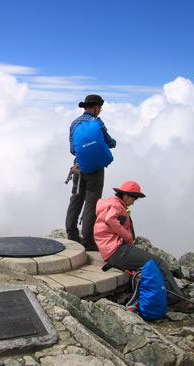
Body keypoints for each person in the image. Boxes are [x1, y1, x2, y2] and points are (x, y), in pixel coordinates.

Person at [94, 181, 194, 313]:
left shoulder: (110, 204)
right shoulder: (117, 206)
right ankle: (175, 300)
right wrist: (126, 236)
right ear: (126, 195)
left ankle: (173, 294)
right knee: (158, 263)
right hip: (117, 251)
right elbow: (110, 219)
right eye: (133, 198)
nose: (133, 202)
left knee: (150, 265)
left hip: (111, 251)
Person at [66, 94, 117, 251]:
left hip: (78, 167)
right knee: (91, 202)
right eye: (99, 107)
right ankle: (88, 240)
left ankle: (72, 234)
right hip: (95, 169)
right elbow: (110, 142)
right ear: (95, 107)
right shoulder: (97, 122)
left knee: (76, 198)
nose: (99, 110)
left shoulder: (75, 123)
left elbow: (73, 149)